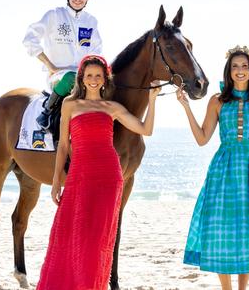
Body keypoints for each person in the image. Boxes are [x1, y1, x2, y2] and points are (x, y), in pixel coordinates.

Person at [36, 54, 160, 290]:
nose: (94, 80)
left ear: (105, 79)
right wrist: (55, 183)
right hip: (79, 176)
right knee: (70, 234)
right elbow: (63, 145)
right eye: (89, 75)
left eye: (98, 76)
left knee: (98, 239)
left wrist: (152, 101)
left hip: (109, 177)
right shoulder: (70, 105)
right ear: (82, 79)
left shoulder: (112, 107)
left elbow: (146, 129)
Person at [176, 46, 249, 290]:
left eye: (244, 66)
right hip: (223, 169)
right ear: (228, 71)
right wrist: (186, 107)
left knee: (247, 229)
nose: (240, 70)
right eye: (235, 66)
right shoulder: (217, 101)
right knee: (219, 226)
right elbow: (202, 138)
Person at [23, 0, 103, 131]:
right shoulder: (53, 15)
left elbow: (97, 51)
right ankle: (46, 113)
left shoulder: (91, 21)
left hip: (84, 75)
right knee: (70, 77)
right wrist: (50, 66)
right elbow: (29, 39)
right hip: (59, 76)